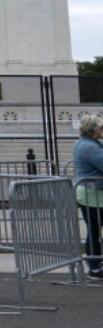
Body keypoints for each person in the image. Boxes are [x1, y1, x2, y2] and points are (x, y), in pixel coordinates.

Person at [72, 114, 103, 279]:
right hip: (93, 195)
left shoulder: (86, 144)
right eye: (101, 128)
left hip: (91, 194)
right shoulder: (89, 147)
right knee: (94, 231)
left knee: (94, 230)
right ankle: (95, 267)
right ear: (93, 130)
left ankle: (95, 265)